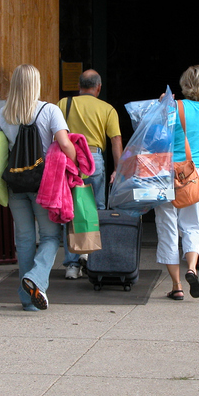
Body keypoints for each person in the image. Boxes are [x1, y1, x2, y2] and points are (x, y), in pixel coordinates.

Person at [0, 64, 78, 311]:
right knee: (50, 236)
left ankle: (29, 301)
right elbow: (65, 144)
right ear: (36, 84)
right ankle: (35, 280)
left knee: (24, 240)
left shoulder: (4, 114)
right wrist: (80, 165)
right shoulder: (50, 111)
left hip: (16, 184)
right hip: (44, 185)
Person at [156, 65, 199, 301]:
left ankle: (176, 286)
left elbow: (153, 135)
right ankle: (192, 268)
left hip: (168, 174)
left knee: (167, 227)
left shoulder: (173, 107)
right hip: (195, 174)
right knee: (191, 225)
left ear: (185, 84)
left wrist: (160, 106)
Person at [56, 69, 123, 279]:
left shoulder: (63, 104)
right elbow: (116, 141)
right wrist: (117, 170)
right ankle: (94, 260)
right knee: (97, 209)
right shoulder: (107, 109)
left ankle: (72, 266)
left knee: (72, 210)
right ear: (98, 87)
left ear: (79, 86)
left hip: (71, 158)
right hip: (94, 159)